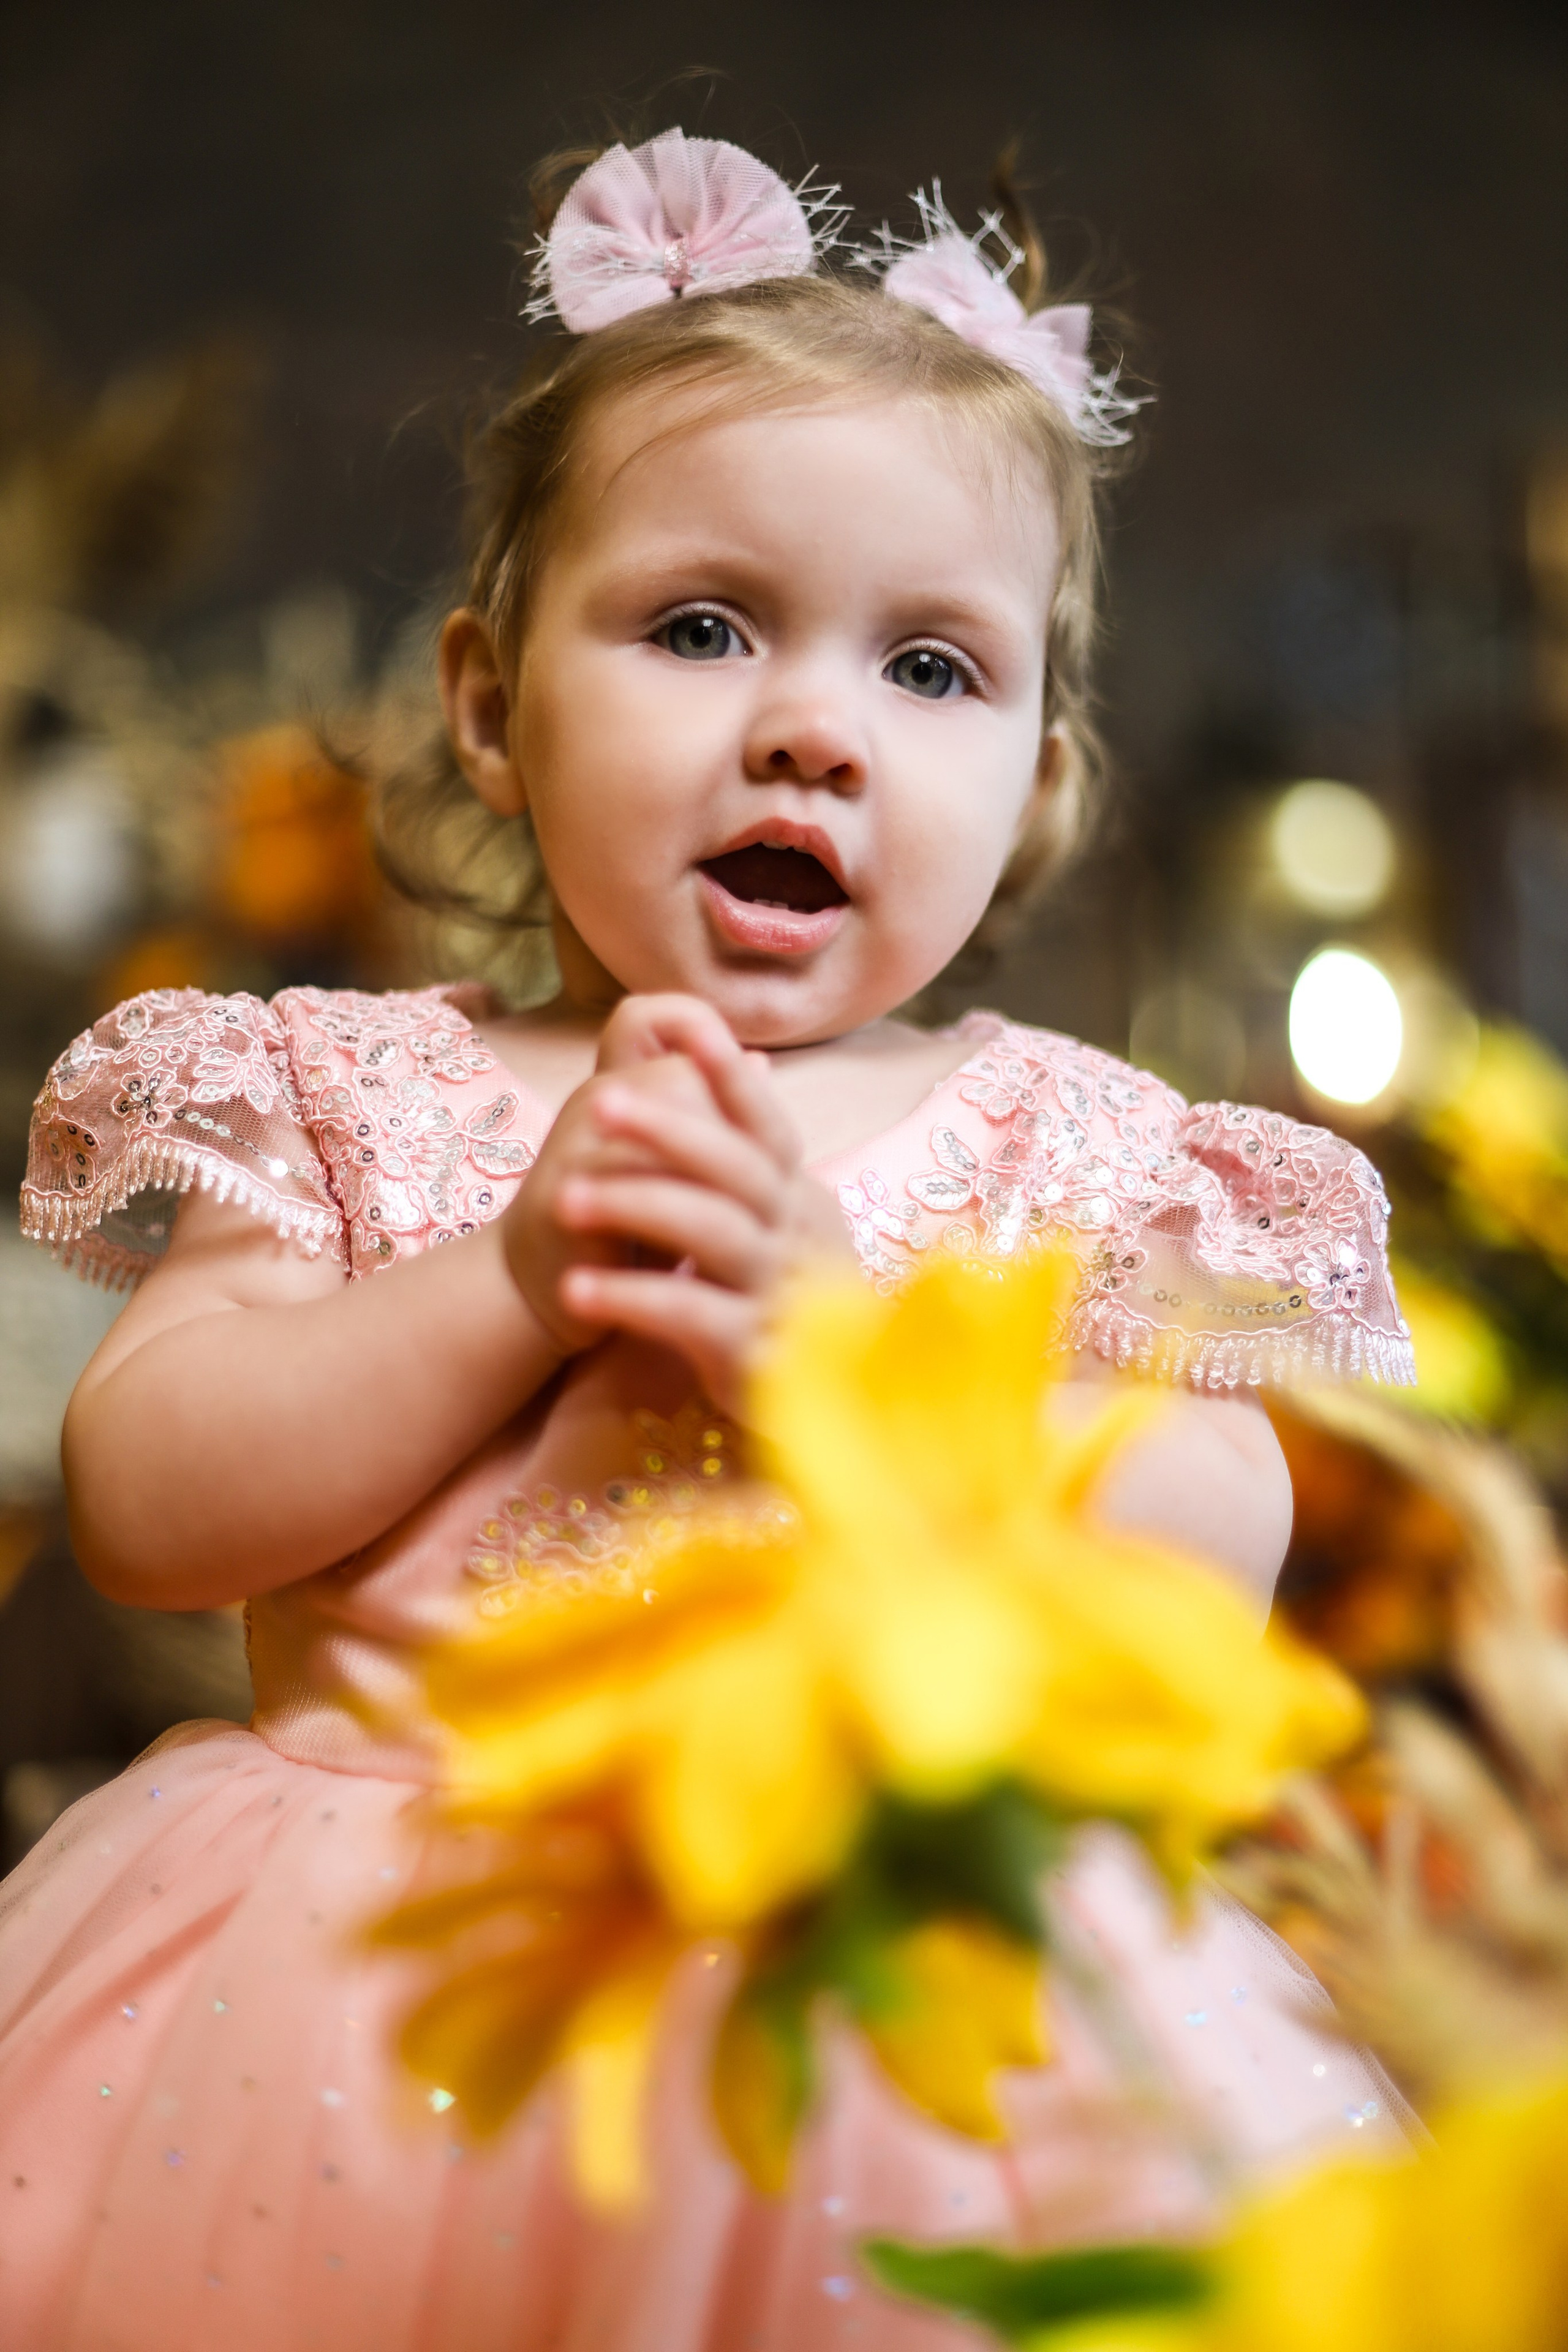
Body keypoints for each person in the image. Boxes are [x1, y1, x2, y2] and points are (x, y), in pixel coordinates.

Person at [1, 129, 1414, 2351]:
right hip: (376, 1993)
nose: (810, 730)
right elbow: (151, 1509)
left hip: (896, 1983)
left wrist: (857, 1360)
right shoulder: (352, 1088)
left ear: (1040, 780)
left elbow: (1198, 1575)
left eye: (934, 671)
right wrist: (507, 1282)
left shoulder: (1082, 1147)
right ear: (488, 703)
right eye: (700, 625)